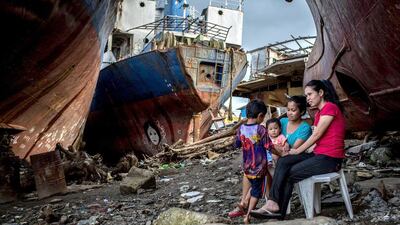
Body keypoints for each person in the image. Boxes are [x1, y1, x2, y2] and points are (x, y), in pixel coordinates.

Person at [251, 79, 345, 219]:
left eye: (310, 94)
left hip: (330, 158)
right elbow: (318, 137)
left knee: (290, 172)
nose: (308, 98)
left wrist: (298, 150)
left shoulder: (330, 108)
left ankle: (278, 211)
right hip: (318, 154)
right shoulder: (319, 113)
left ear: (321, 93)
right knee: (284, 161)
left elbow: (317, 135)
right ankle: (273, 203)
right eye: (306, 95)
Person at [229, 99, 271, 224]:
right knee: (256, 192)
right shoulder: (261, 129)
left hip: (247, 167)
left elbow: (236, 144)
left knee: (253, 186)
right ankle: (247, 215)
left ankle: (243, 204)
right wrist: (280, 152)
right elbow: (269, 146)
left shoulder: (241, 128)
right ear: (260, 116)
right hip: (259, 167)